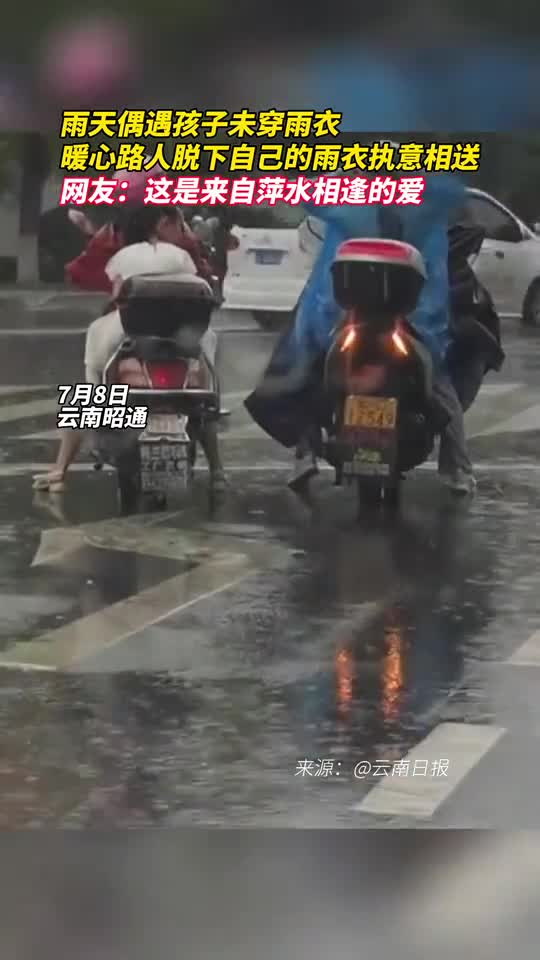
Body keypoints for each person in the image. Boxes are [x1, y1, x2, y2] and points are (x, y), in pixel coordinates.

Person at [245, 167, 479, 496]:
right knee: (440, 384)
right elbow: (453, 196)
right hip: (412, 319)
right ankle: (457, 468)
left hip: (349, 316)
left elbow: (308, 194)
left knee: (310, 372)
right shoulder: (423, 205)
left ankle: (305, 453)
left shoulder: (351, 204)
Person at [33, 205, 227, 495]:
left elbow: (116, 292)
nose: (181, 228)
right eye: (177, 223)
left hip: (129, 329)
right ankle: (218, 473)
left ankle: (64, 463)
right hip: (184, 337)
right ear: (162, 223)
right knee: (203, 403)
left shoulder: (123, 256)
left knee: (93, 347)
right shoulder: (182, 256)